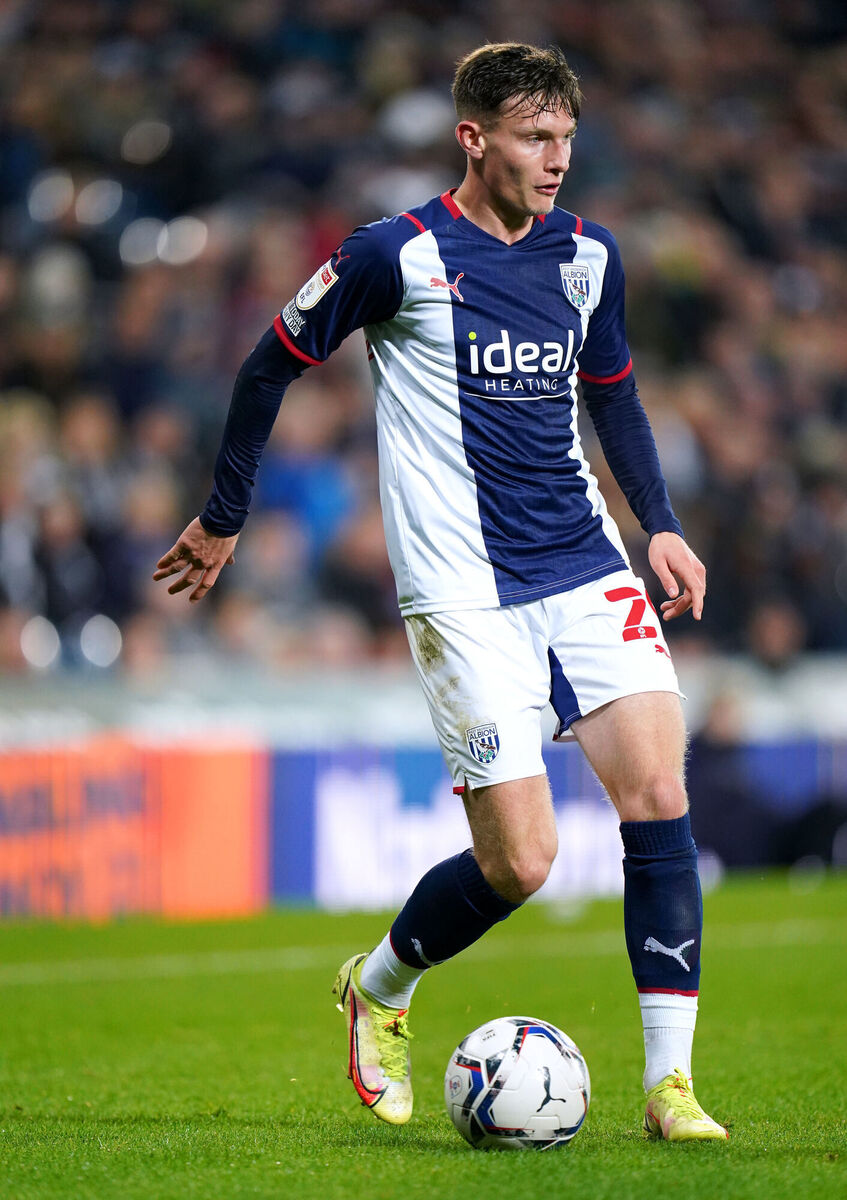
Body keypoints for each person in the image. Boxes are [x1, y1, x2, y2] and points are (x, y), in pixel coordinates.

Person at [154, 42, 727, 1143]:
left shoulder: (588, 256)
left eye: (566, 138)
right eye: (534, 138)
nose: (556, 159)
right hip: (460, 593)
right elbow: (267, 365)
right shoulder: (394, 255)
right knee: (522, 863)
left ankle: (671, 1089)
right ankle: (378, 985)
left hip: (584, 563)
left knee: (658, 795)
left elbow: (612, 394)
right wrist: (225, 513)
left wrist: (658, 523)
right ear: (472, 138)